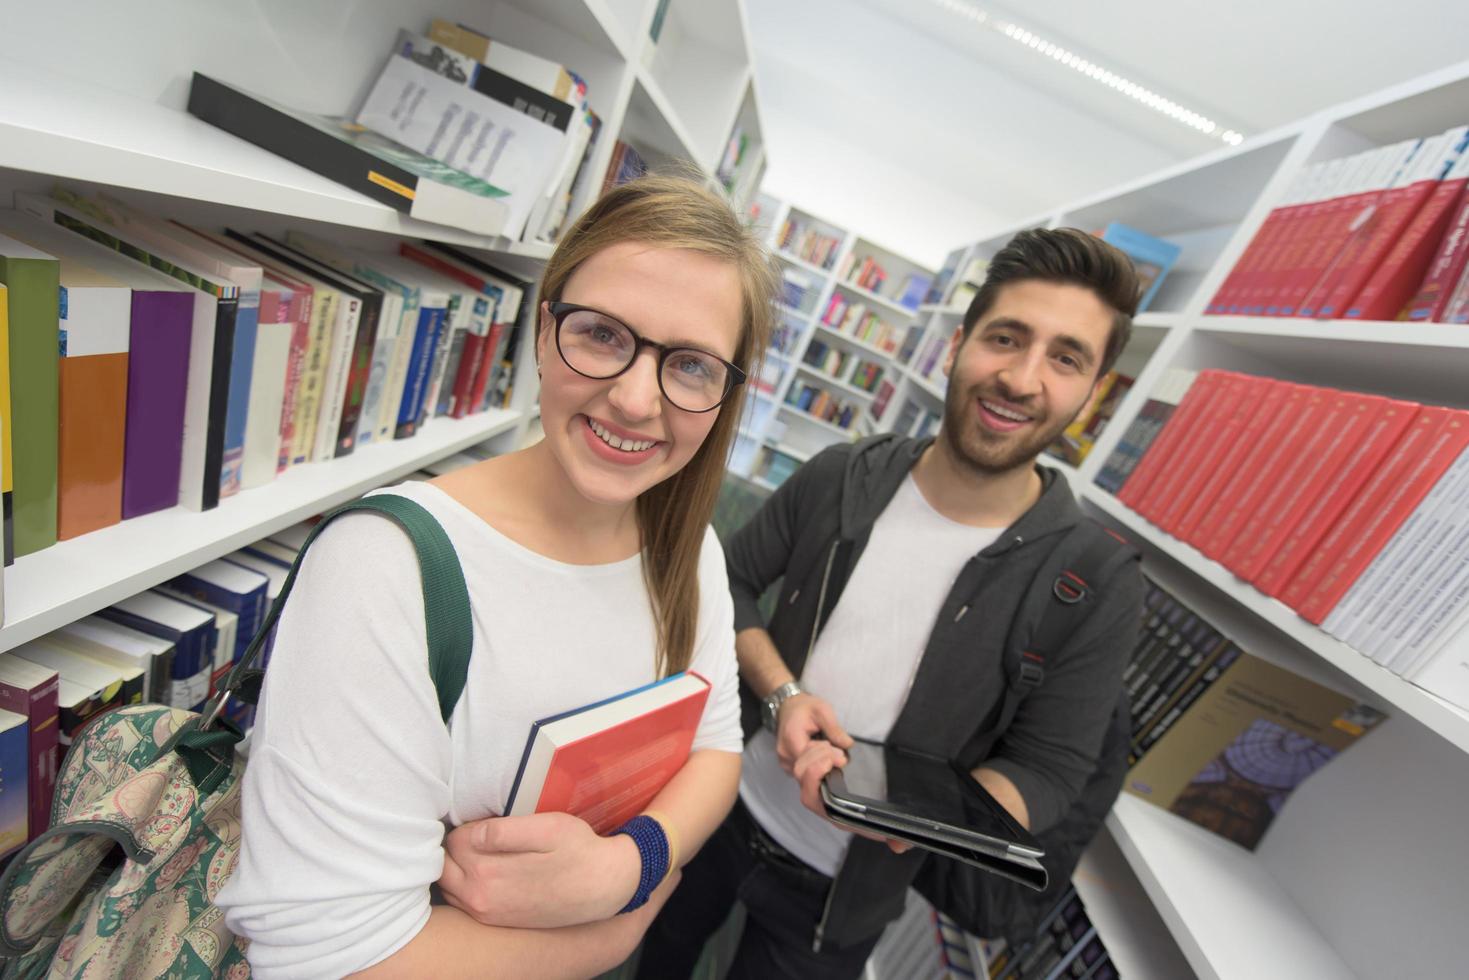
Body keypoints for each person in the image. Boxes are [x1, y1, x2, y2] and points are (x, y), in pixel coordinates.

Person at [216, 174, 777, 979]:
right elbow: (325, 960)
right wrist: (611, 935)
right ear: (544, 325)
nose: (631, 399)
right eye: (603, 334)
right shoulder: (389, 566)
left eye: (689, 367)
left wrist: (628, 866)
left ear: (724, 396)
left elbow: (718, 748)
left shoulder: (687, 553)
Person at [636, 227, 1147, 979]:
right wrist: (783, 695)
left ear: (1093, 393)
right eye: (1005, 338)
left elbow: (1050, 769)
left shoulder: (1097, 580)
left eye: (1065, 358)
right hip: (712, 803)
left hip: (839, 902)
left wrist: (933, 820)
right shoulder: (844, 475)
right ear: (956, 345)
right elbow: (728, 582)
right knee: (657, 958)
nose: (1021, 378)